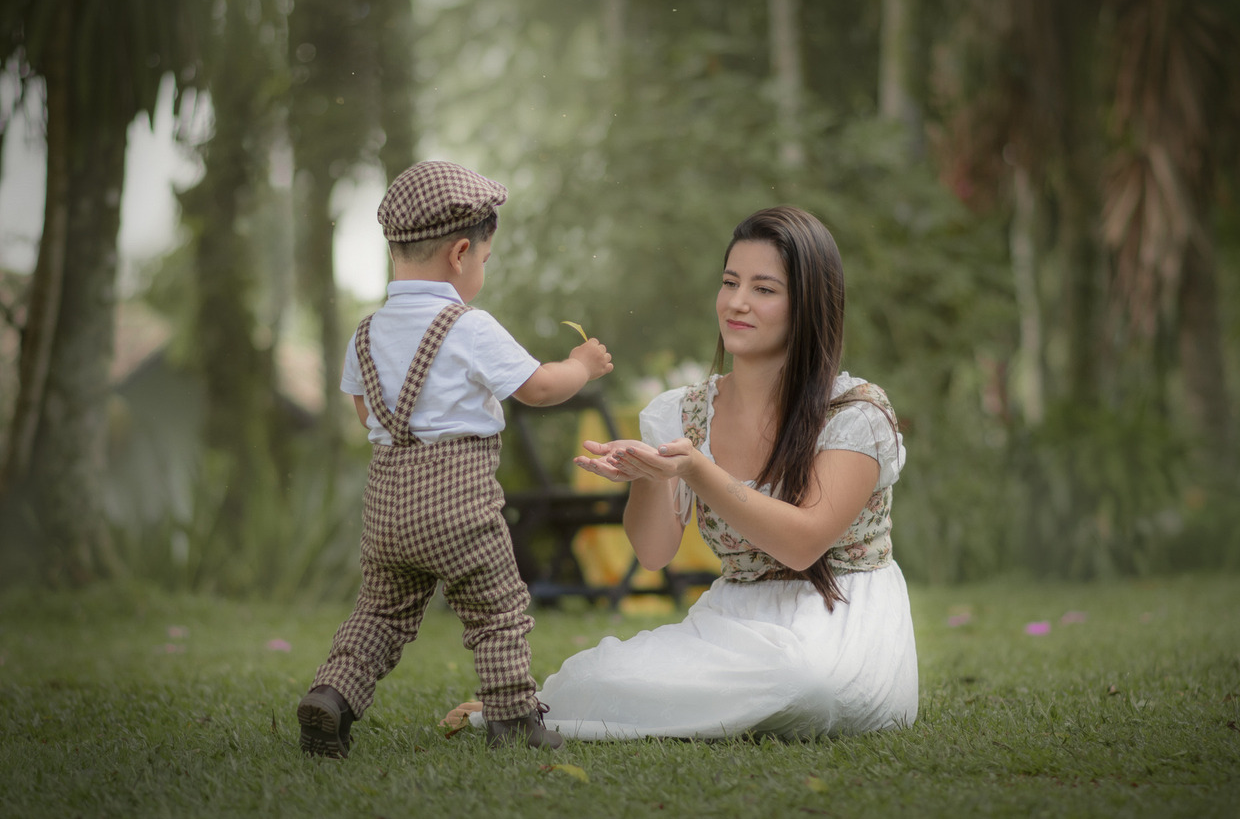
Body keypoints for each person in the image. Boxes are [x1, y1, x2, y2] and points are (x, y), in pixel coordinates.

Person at [444, 205, 916, 741]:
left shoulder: (855, 413)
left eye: (764, 289)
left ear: (808, 305)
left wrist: (696, 469)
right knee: (599, 677)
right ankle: (525, 707)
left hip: (843, 617)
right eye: (730, 282)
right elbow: (652, 553)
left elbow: (803, 544)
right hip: (735, 619)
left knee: (809, 687)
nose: (737, 302)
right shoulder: (684, 412)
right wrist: (648, 475)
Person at [298, 161, 613, 757]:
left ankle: (331, 697)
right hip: (457, 506)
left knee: (380, 614)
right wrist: (583, 364)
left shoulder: (366, 333)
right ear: (460, 253)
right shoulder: (468, 327)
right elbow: (539, 388)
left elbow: (367, 416)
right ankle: (514, 721)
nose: (483, 273)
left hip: (388, 509)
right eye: (485, 262)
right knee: (498, 609)